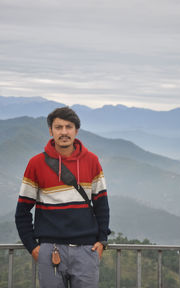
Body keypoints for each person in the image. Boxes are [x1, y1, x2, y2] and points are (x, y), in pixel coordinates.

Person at [15, 107, 110, 288]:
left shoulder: (92, 161)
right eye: (58, 127)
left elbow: (102, 204)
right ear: (51, 131)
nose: (64, 132)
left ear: (76, 130)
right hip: (50, 250)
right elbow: (22, 211)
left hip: (86, 249)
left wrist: (102, 241)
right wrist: (33, 247)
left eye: (69, 127)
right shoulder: (36, 164)